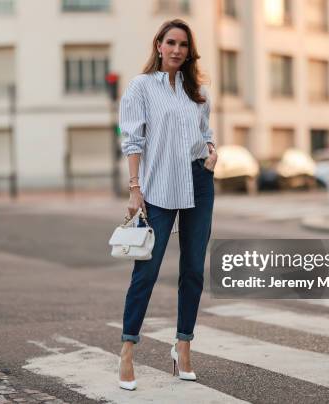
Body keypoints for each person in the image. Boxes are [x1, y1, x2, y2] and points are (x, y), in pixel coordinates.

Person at [117, 19, 217, 390]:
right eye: (171, 42)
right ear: (158, 45)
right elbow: (133, 140)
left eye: (184, 45)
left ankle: (183, 346)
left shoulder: (199, 92)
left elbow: (205, 134)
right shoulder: (141, 87)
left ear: (190, 52)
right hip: (158, 186)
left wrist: (211, 153)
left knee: (193, 270)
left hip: (199, 183)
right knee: (146, 271)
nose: (177, 50)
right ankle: (128, 350)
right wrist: (134, 188)